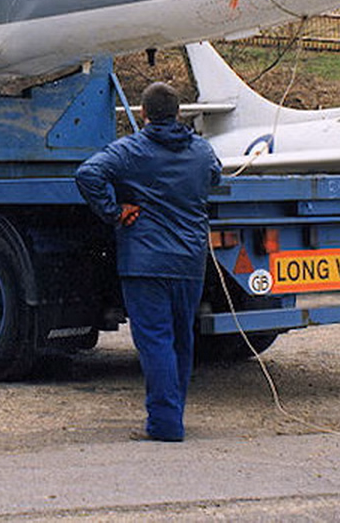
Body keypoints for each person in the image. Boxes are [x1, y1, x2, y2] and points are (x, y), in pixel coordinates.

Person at [74, 81, 221, 442]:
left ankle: (166, 424)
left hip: (145, 262)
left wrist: (114, 210)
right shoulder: (201, 151)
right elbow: (215, 175)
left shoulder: (131, 150)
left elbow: (88, 173)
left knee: (155, 341)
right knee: (181, 341)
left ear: (143, 114)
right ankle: (173, 415)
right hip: (189, 261)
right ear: (178, 113)